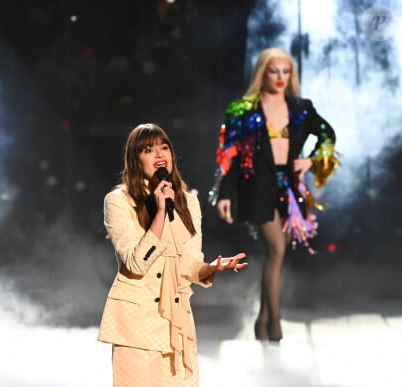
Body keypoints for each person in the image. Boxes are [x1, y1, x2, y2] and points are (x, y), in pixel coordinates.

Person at [98, 123, 247, 386]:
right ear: (135, 159)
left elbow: (187, 264)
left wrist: (210, 268)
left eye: (163, 147)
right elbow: (136, 263)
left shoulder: (188, 202)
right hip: (136, 323)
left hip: (176, 322)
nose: (159, 155)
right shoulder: (118, 201)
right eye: (148, 150)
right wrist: (159, 212)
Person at [209, 47, 339, 342]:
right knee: (276, 249)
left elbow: (327, 134)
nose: (280, 77)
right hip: (256, 186)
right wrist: (225, 195)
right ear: (261, 73)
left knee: (274, 253)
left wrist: (311, 161)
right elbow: (228, 156)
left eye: (286, 71)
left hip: (290, 188)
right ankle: (275, 321)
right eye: (273, 70)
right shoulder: (242, 110)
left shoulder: (301, 108)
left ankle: (263, 319)